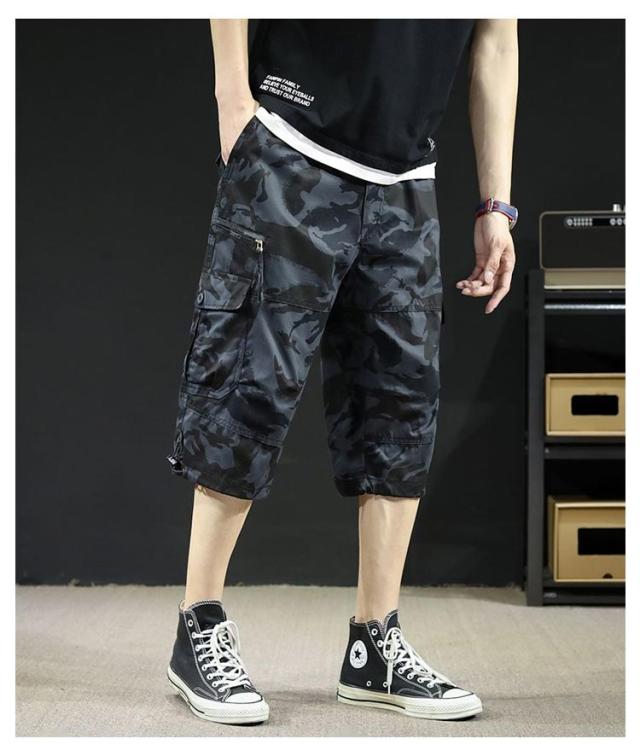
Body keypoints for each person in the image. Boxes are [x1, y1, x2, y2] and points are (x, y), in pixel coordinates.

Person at [166, 19, 518, 725]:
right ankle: (197, 624)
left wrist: (494, 204)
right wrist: (233, 102)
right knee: (250, 388)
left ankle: (374, 644)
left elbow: (497, 40)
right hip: (291, 146)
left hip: (406, 180)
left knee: (401, 407)